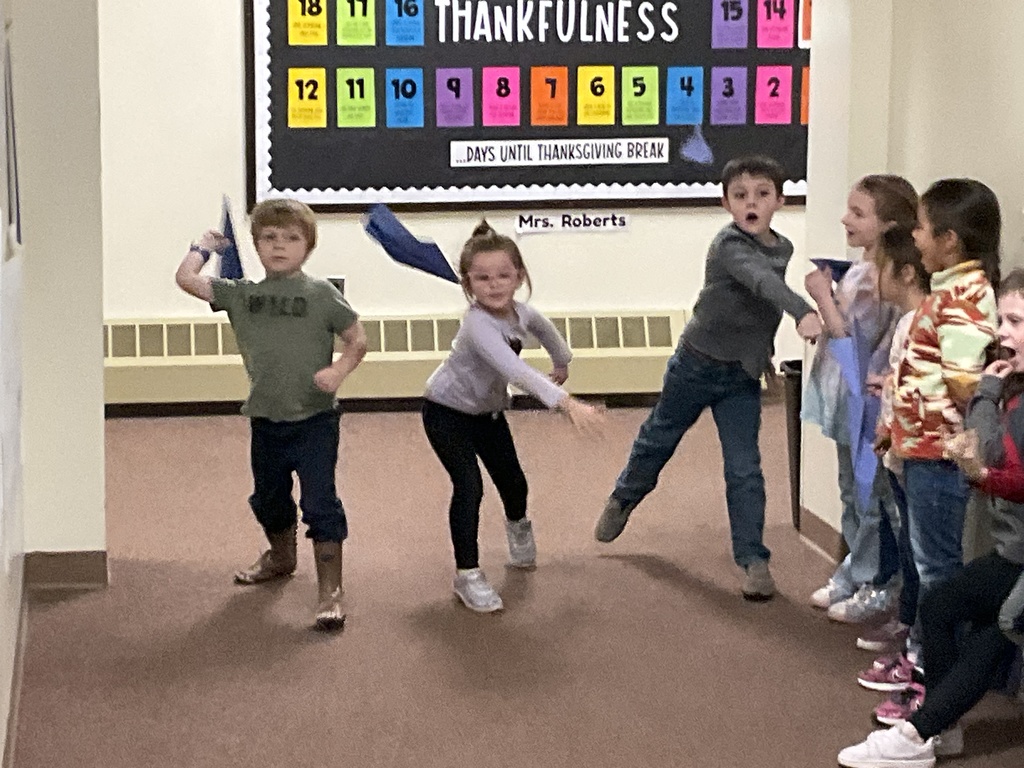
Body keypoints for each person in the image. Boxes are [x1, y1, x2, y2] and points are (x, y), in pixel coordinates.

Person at [593, 154, 822, 600]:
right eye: (740, 196)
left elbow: (760, 312)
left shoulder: (783, 247)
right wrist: (803, 310)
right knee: (658, 440)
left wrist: (765, 354)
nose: (751, 204)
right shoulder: (728, 246)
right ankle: (623, 498)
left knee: (745, 469)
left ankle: (754, 560)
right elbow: (762, 285)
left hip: (740, 375)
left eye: (762, 195)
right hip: (696, 364)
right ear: (725, 204)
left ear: (780, 199)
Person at [837, 268, 1024, 768]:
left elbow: (1002, 471)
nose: (1001, 333)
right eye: (1003, 320)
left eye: (1014, 322)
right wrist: (986, 393)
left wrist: (982, 475)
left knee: (1001, 630)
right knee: (941, 606)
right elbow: (987, 447)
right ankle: (943, 728)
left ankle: (921, 732)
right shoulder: (1012, 389)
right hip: (1015, 553)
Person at [175, 198, 367, 631]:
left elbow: (357, 340)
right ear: (257, 245)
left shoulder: (321, 295)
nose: (279, 246)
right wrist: (202, 247)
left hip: (316, 421)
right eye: (269, 238)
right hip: (266, 419)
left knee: (320, 503)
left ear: (308, 247)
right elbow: (186, 279)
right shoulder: (243, 295)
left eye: (291, 238)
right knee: (268, 499)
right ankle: (281, 557)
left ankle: (330, 590)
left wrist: (338, 370)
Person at [854, 179, 1001, 697]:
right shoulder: (946, 292)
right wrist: (897, 423)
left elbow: (964, 382)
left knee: (938, 570)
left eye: (921, 226)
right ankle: (922, 662)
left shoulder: (964, 297)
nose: (913, 235)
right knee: (924, 561)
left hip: (939, 456)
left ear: (950, 240)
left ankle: (933, 680)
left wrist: (921, 416)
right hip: (918, 450)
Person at [422, 221, 603, 613]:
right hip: (445, 412)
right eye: (483, 278)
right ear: (469, 284)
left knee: (513, 483)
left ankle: (518, 528)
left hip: (486, 414)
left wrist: (563, 361)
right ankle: (467, 574)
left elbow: (547, 331)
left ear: (519, 277)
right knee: (469, 486)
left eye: (504, 275)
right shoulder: (476, 325)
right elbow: (514, 370)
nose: (495, 284)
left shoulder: (521, 313)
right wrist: (565, 402)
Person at [803, 176, 915, 623]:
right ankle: (855, 568)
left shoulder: (880, 281)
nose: (846, 219)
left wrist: (822, 300)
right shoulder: (862, 271)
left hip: (866, 405)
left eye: (858, 213)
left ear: (888, 225)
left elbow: (854, 347)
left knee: (871, 499)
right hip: (844, 400)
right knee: (852, 492)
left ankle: (878, 580)